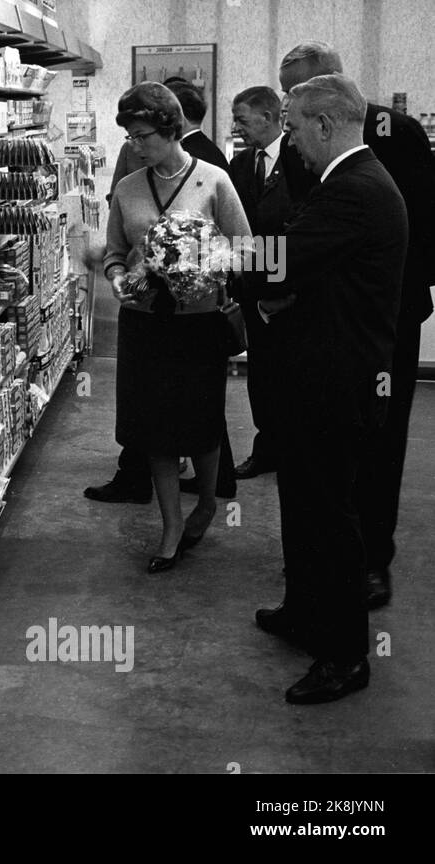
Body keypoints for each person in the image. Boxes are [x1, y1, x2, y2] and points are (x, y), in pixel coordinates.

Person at [253, 73, 407, 704]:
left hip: (334, 384)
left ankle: (344, 656)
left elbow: (283, 257)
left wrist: (201, 257)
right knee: (303, 504)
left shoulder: (355, 189)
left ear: (323, 124)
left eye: (291, 126)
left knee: (329, 518)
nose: (288, 139)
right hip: (314, 377)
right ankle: (304, 612)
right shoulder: (344, 183)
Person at [278, 42, 435, 609]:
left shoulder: (393, 142)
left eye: (293, 99)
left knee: (372, 445)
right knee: (317, 458)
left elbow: (420, 229)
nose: (285, 119)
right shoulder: (327, 152)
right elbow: (293, 221)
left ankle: (368, 560)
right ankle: (316, 582)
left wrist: (226, 259)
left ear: (329, 97)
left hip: (375, 317)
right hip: (325, 312)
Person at [103, 83, 251, 573]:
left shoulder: (213, 180)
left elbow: (246, 247)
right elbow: (114, 254)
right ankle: (169, 528)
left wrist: (207, 263)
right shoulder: (126, 189)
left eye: (143, 135)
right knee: (154, 430)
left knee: (201, 423)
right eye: (129, 135)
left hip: (198, 324)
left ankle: (206, 503)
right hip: (145, 325)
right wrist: (119, 278)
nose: (134, 145)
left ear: (171, 130)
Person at [227, 86, 317, 479]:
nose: (237, 127)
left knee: (293, 376)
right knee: (261, 375)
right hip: (252, 284)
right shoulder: (241, 164)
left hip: (291, 287)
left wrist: (286, 283)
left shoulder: (301, 160)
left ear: (268, 117)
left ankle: (295, 451)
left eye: (243, 120)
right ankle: (267, 450)